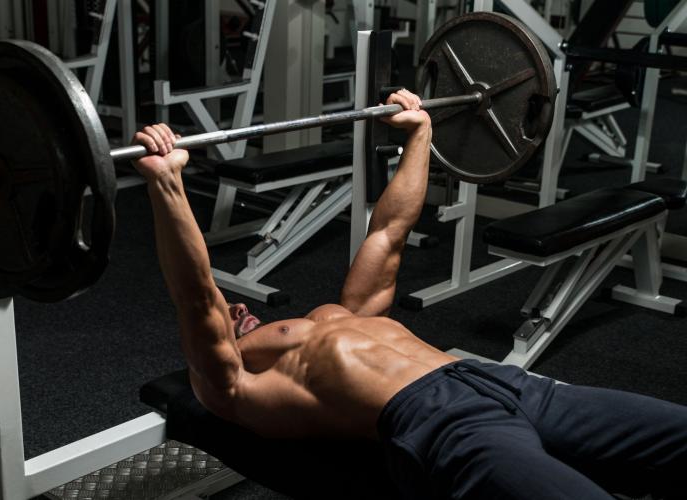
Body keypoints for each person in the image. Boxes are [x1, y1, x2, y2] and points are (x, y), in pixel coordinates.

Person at [132, 89, 687, 500]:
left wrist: (420, 133)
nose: (238, 307)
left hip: (507, 383)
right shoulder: (234, 383)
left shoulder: (337, 317)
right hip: (442, 425)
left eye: (239, 305)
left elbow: (388, 233)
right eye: (230, 318)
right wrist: (167, 182)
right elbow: (197, 295)